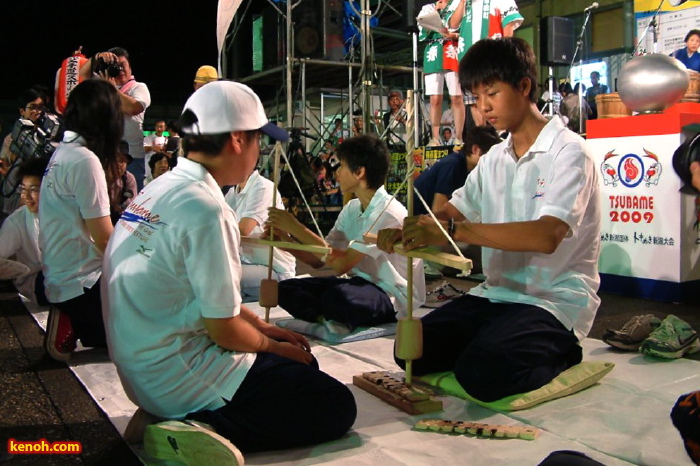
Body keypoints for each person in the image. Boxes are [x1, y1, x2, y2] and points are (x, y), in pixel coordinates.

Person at [103, 81, 356, 462]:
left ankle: (167, 412)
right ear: (237, 139)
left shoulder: (160, 188)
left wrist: (267, 327)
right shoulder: (207, 208)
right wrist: (272, 346)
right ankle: (193, 426)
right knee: (334, 404)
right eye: (258, 141)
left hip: (140, 368)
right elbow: (222, 328)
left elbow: (208, 298)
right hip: (177, 371)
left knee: (300, 361)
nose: (259, 152)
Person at [378, 37, 601, 402]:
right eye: (476, 99)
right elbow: (452, 212)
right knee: (411, 351)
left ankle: (564, 350)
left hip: (553, 299)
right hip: (496, 295)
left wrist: (454, 230)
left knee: (481, 372)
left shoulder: (570, 152)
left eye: (491, 94)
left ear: (524, 86)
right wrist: (411, 230)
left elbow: (547, 236)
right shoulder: (496, 158)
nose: (483, 108)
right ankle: (502, 339)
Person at [266, 134, 426, 332]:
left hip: (391, 293)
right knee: (286, 289)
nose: (337, 173)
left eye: (341, 166)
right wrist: (286, 240)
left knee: (339, 297)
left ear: (359, 172)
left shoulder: (387, 212)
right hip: (360, 283)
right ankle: (327, 318)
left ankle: (331, 315)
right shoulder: (352, 208)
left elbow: (341, 264)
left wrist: (296, 227)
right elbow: (320, 259)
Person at [39, 79, 122, 361]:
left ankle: (74, 316)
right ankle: (75, 319)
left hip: (62, 278)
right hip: (83, 285)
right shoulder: (84, 160)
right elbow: (105, 240)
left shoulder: (62, 153)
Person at [80, 47, 151, 191]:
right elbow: (82, 75)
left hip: (131, 156)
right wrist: (98, 56)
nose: (120, 70)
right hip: (105, 153)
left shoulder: (138, 87)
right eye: (115, 66)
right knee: (103, 194)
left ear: (130, 66)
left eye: (122, 65)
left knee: (131, 196)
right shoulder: (103, 84)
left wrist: (110, 89)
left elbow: (134, 107)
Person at [224, 169, 296, 303]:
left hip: (274, 271)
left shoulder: (262, 188)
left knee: (223, 278)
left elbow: (242, 230)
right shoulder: (233, 192)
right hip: (248, 263)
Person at [448, 0, 523, 126]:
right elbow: (453, 23)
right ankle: (483, 133)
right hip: (468, 57)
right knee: (474, 99)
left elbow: (509, 23)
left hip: (493, 56)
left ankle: (499, 134)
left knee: (495, 93)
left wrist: (506, 52)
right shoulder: (461, 2)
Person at [414, 125, 500, 216]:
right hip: (420, 220)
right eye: (490, 156)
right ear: (475, 150)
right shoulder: (452, 165)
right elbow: (439, 212)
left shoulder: (463, 166)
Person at [0, 157, 50, 305]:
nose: (26, 197)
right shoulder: (17, 221)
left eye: (33, 190)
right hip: (35, 280)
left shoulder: (61, 212)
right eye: (23, 189)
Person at [419, 0, 465, 146]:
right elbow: (422, 31)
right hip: (433, 52)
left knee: (457, 97)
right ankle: (435, 138)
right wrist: (436, 11)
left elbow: (463, 29)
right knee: (434, 99)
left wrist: (455, 36)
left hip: (452, 51)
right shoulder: (428, 8)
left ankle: (459, 137)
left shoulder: (458, 3)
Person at [1, 88, 48, 217]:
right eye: (33, 107)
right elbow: (4, 166)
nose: (38, 112)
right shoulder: (11, 139)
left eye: (41, 108)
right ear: (22, 111)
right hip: (17, 200)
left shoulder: (48, 139)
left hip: (43, 202)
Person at [108, 140, 137, 224]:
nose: (119, 165)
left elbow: (132, 204)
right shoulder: (99, 177)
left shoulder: (129, 178)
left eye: (122, 161)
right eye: (116, 160)